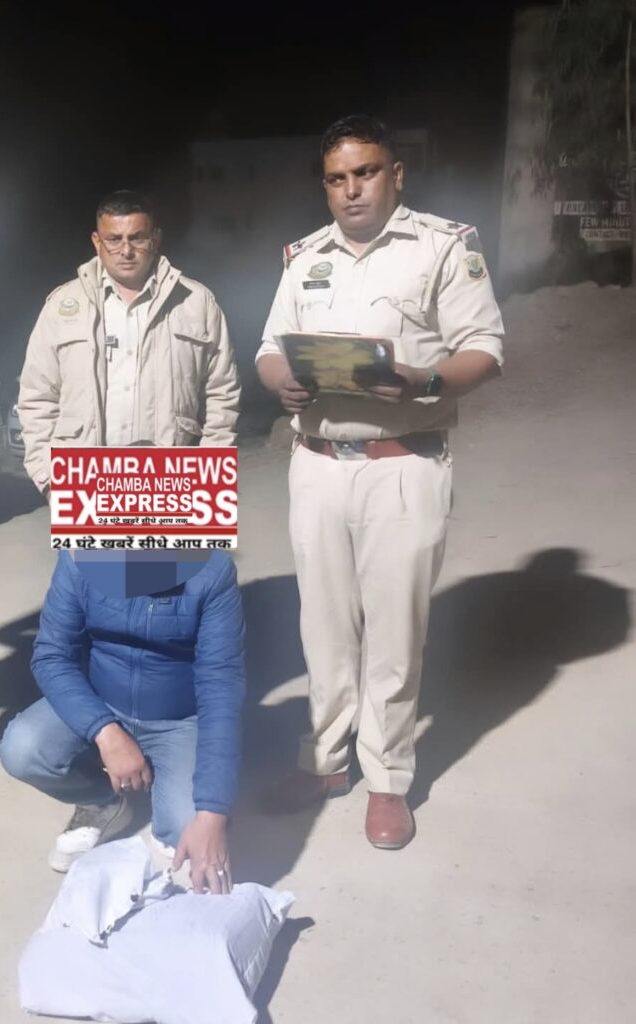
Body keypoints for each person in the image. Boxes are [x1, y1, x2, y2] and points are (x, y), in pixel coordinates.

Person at [255, 115, 505, 849]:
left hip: (403, 462)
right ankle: (325, 762)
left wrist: (425, 379)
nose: (351, 189)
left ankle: (388, 779)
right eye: (336, 178)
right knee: (324, 629)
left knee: (394, 634)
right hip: (317, 465)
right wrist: (279, 382)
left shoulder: (442, 247)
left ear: (395, 174)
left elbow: (486, 347)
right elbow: (270, 346)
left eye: (365, 172)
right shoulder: (304, 257)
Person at [0, 550, 246, 894]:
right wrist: (104, 731)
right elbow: (52, 656)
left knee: (192, 845)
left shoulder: (213, 569)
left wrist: (213, 812)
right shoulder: (79, 554)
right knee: (23, 748)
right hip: (101, 701)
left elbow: (221, 688)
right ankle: (102, 802)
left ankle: (170, 797)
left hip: (179, 721)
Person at [16, 190, 241, 494]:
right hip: (82, 483)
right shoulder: (62, 305)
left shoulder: (196, 302)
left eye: (137, 238)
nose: (126, 250)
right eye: (114, 239)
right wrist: (47, 478)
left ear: (155, 239)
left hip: (173, 483)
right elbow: (37, 396)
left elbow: (222, 393)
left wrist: (211, 474)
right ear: (97, 242)